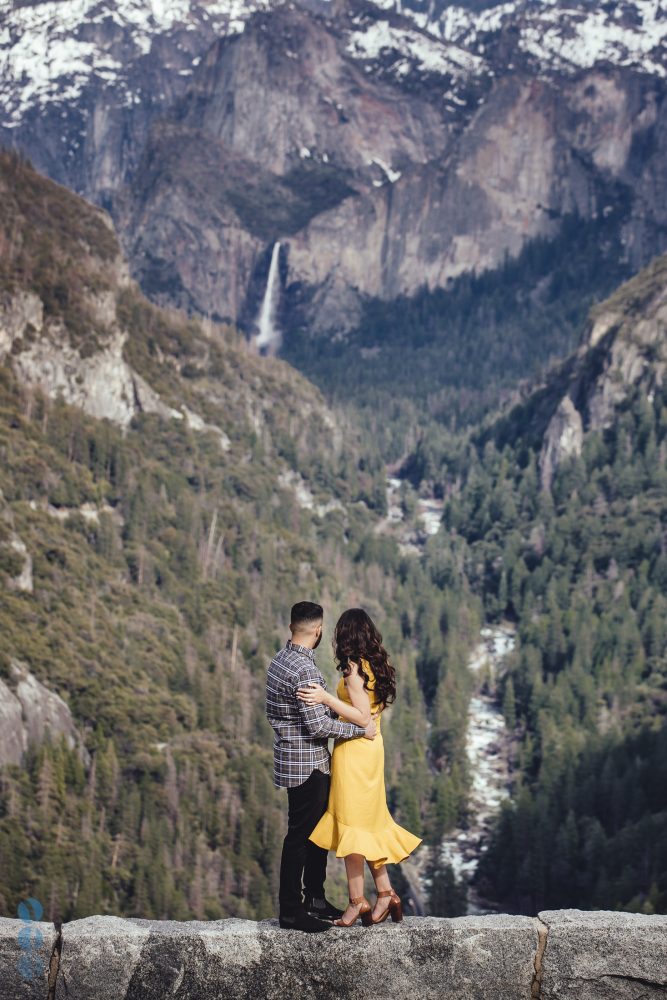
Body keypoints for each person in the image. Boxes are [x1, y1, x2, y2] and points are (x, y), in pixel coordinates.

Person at [297, 607, 422, 927]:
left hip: (354, 752)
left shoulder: (353, 670)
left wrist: (326, 698)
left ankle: (357, 902)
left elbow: (362, 718)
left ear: (344, 636)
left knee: (351, 827)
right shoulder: (373, 666)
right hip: (370, 750)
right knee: (365, 825)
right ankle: (385, 892)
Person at [265, 601, 378, 933]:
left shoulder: (279, 661)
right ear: (317, 631)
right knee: (301, 837)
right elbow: (318, 727)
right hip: (309, 764)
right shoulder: (305, 671)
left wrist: (332, 708)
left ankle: (314, 897)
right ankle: (291, 910)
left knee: (314, 834)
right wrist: (360, 729)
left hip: (290, 757)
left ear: (291, 627)